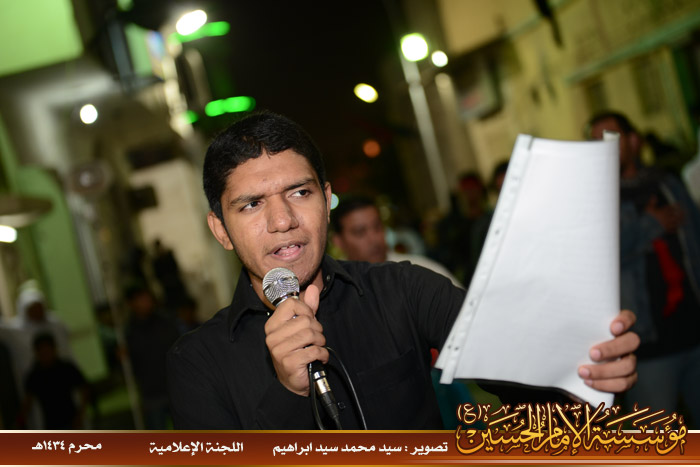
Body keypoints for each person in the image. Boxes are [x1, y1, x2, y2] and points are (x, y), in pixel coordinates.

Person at [167, 110, 639, 430]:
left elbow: (521, 369)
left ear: (327, 201)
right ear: (221, 229)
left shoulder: (403, 290)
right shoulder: (197, 363)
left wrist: (581, 369)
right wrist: (289, 393)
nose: (282, 220)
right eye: (252, 204)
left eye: (300, 192)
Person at [587, 111, 700, 427]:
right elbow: (598, 256)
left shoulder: (666, 183)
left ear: (633, 140)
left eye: (611, 137)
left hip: (694, 330)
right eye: (595, 141)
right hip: (645, 347)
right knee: (653, 441)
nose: (603, 147)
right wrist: (651, 224)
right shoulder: (595, 199)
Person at [330, 195, 461, 287]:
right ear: (338, 241)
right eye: (360, 232)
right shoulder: (335, 290)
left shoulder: (423, 272)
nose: (374, 238)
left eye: (377, 227)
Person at [124, 283, 180, 429]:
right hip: (151, 392)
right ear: (131, 304)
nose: (146, 302)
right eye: (141, 299)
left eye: (147, 298)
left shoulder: (166, 321)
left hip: (176, 385)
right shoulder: (128, 332)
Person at [18, 333, 89, 429]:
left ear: (54, 349)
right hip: (51, 425)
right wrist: (20, 422)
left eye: (47, 350)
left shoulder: (66, 368)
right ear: (36, 353)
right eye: (42, 352)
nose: (45, 355)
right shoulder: (35, 375)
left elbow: (84, 389)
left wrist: (80, 415)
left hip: (72, 421)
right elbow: (28, 402)